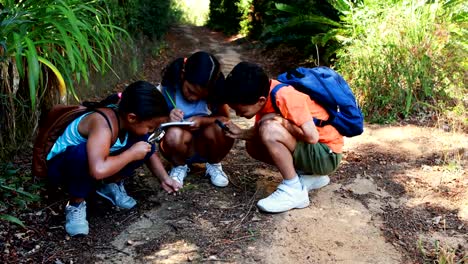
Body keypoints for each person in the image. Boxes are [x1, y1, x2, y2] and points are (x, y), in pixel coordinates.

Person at [46, 81, 181, 236]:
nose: (151, 131)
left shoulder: (128, 122)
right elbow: (97, 170)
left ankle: (108, 185)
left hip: (97, 163)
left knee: (143, 141)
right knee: (82, 153)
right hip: (62, 168)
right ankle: (76, 203)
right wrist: (130, 154)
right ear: (132, 117)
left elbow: (148, 150)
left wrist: (164, 178)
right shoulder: (102, 124)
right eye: (151, 127)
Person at [217, 62, 343, 213]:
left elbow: (312, 137)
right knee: (253, 145)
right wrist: (241, 133)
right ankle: (310, 176)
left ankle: (293, 190)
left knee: (269, 129)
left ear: (261, 100)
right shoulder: (264, 94)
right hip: (316, 153)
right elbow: (258, 133)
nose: (238, 114)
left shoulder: (285, 96)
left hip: (327, 156)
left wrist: (282, 121)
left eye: (239, 110)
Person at [158, 51, 234, 187]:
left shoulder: (214, 93)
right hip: (177, 144)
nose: (193, 98)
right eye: (191, 91)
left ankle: (214, 164)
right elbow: (150, 121)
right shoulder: (168, 89)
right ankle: (179, 166)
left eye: (200, 96)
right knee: (174, 133)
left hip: (205, 144)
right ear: (182, 75)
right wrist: (167, 117)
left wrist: (203, 120)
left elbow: (225, 119)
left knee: (222, 128)